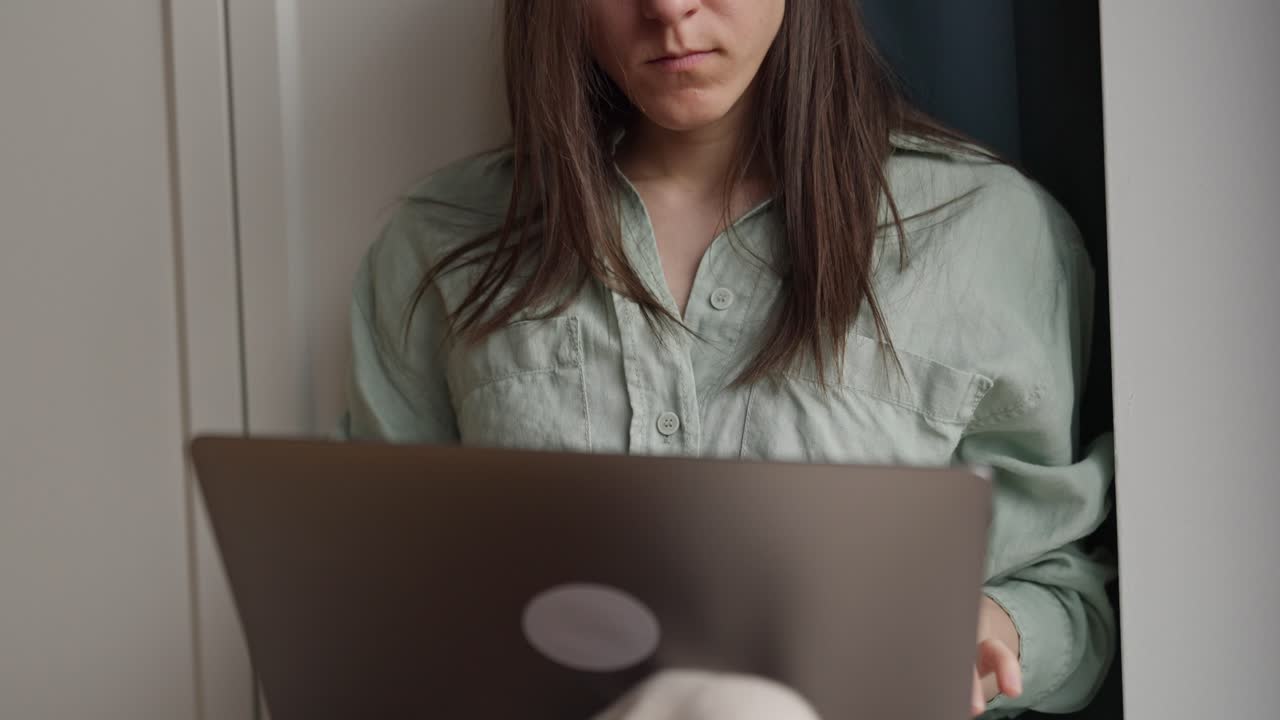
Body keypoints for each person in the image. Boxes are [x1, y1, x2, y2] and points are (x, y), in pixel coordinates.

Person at [337, 0, 1117, 717]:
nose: (669, 8)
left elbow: (1066, 593)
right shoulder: (438, 245)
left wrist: (992, 633)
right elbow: (384, 601)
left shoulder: (989, 233)